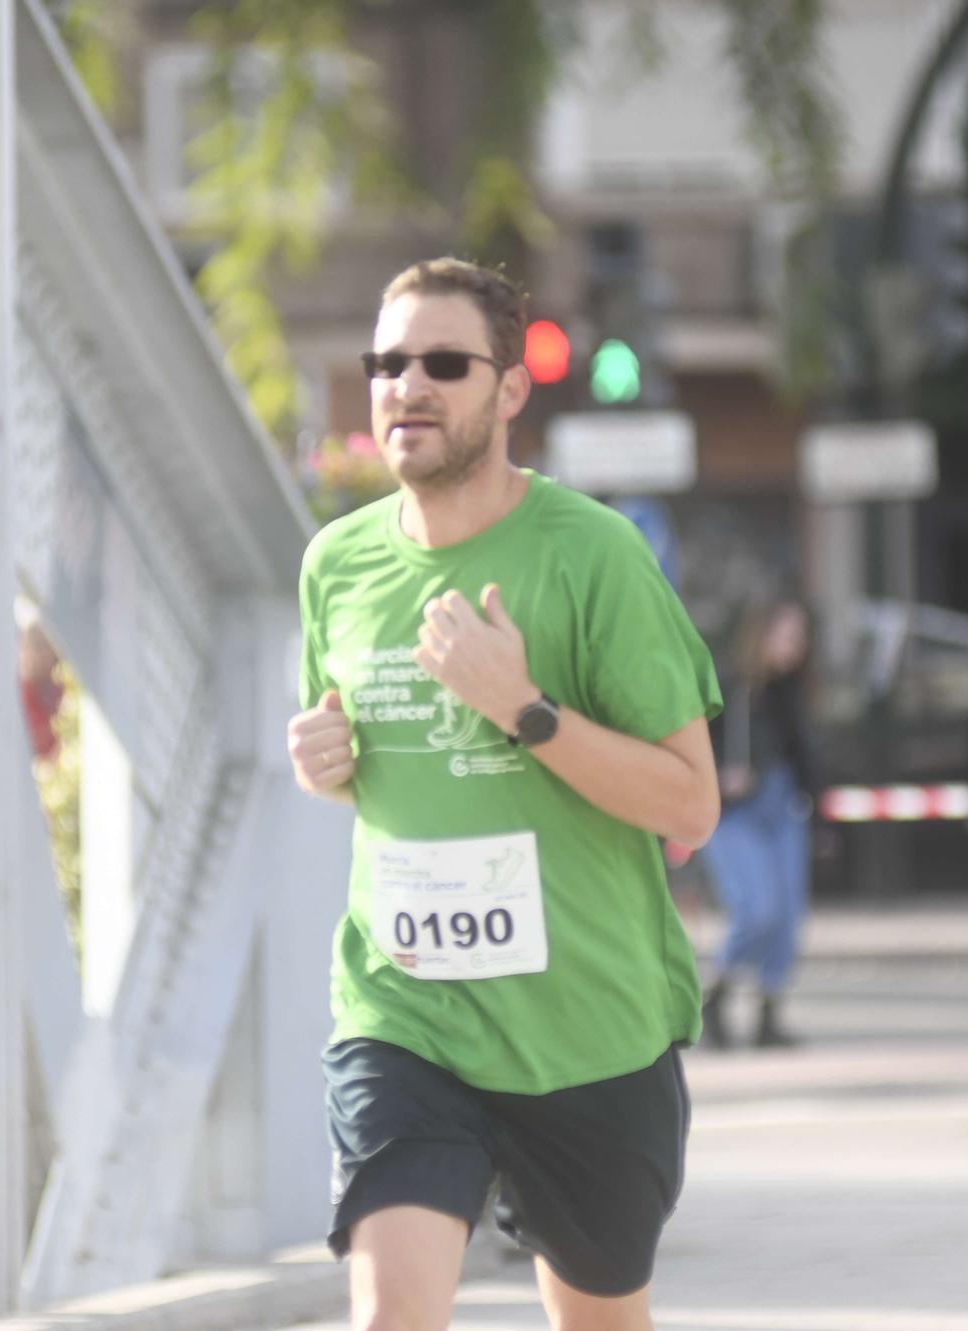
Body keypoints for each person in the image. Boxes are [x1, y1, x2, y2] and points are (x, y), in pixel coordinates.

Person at [287, 258, 722, 1331]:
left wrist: (522, 706)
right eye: (387, 363)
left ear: (509, 390)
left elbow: (688, 803)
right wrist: (324, 763)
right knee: (391, 1315)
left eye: (443, 362)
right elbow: (378, 772)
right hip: (405, 1013)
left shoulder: (594, 556)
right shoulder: (335, 565)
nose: (407, 386)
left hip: (586, 1030)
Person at [698, 598, 820, 1049]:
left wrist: (820, 815)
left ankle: (770, 1010)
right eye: (785, 635)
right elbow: (693, 742)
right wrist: (720, 774)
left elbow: (807, 757)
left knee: (787, 914)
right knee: (757, 908)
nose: (793, 646)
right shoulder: (729, 686)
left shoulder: (794, 690)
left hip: (785, 805)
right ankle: (718, 993)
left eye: (799, 637)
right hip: (736, 812)